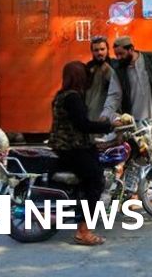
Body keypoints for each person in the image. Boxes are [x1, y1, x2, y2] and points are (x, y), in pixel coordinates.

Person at [49, 61, 116, 246]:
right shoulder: (73, 98)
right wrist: (108, 126)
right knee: (96, 180)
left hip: (65, 147)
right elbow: (83, 125)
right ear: (79, 77)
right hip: (72, 148)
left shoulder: (61, 95)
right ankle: (83, 231)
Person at [101, 36, 152, 157]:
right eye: (117, 54)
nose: (118, 57)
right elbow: (114, 95)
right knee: (141, 152)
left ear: (131, 49)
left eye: (121, 54)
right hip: (135, 118)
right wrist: (106, 113)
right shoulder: (118, 70)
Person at [85, 36, 115, 121]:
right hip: (91, 114)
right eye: (96, 50)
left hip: (110, 115)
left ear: (107, 49)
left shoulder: (115, 65)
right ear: (92, 51)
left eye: (102, 49)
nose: (99, 53)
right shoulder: (89, 67)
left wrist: (108, 71)